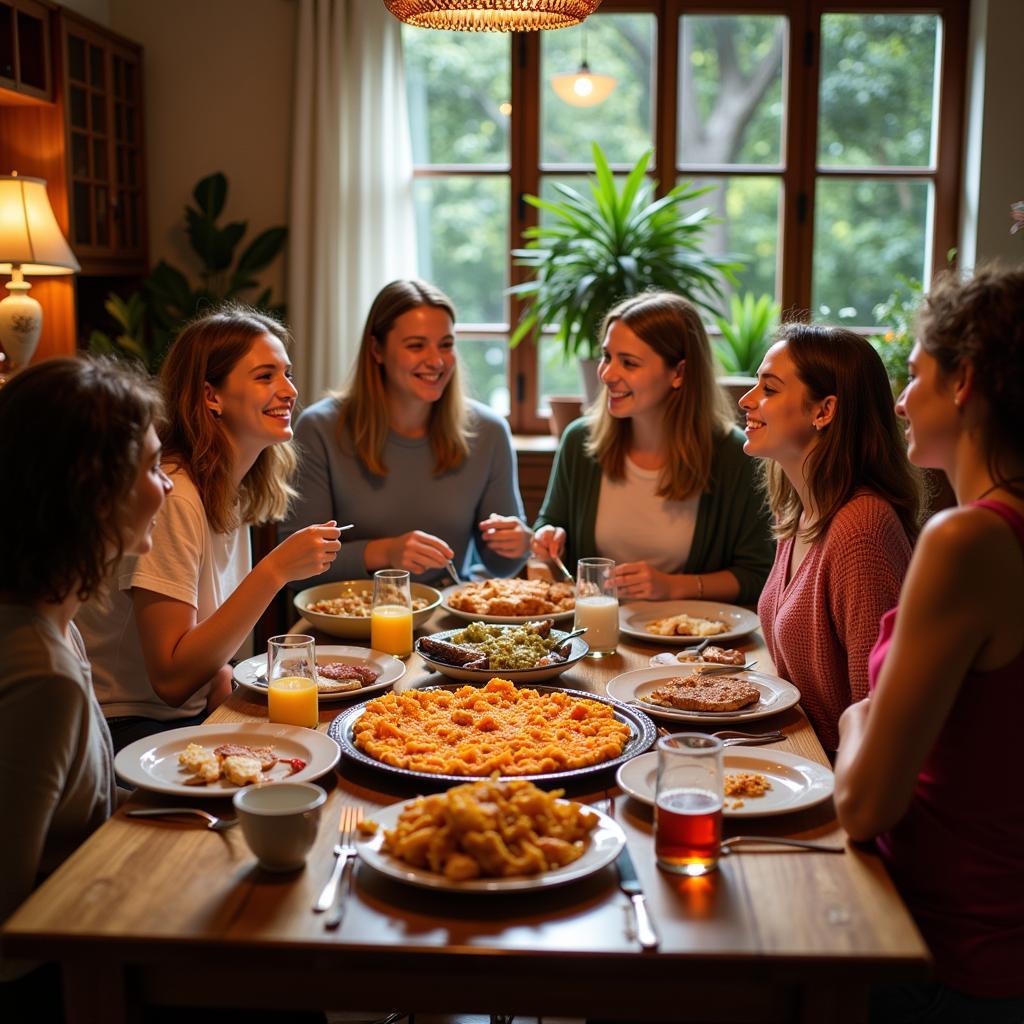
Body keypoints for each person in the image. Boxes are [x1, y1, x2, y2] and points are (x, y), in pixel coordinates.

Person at [834, 266, 1024, 1023]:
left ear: (965, 380)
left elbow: (862, 804)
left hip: (946, 952)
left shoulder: (968, 539)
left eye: (913, 374)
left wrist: (855, 721)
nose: (902, 400)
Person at [78, 305, 341, 751]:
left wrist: (221, 674)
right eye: (265, 377)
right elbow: (171, 679)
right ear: (211, 396)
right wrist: (274, 571)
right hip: (125, 727)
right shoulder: (176, 496)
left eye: (288, 374)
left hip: (183, 714)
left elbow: (203, 633)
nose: (290, 390)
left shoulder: (226, 488)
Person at [0, 356, 167, 1017]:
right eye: (154, 467)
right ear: (98, 493)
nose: (169, 487)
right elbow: (12, 934)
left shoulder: (49, 618)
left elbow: (77, 811)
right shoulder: (41, 675)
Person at [739, 324, 921, 754]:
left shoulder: (862, 530)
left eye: (769, 388)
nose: (747, 400)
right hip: (791, 755)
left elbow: (879, 716)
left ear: (823, 411)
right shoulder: (799, 508)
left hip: (832, 786)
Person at [281, 279, 530, 586]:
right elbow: (295, 569)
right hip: (348, 621)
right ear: (377, 350)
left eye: (446, 344)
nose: (437, 360)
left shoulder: (489, 432)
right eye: (416, 345)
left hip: (448, 625)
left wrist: (518, 545)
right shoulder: (319, 428)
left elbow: (501, 567)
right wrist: (384, 552)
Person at [532, 291, 773, 604]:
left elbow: (758, 574)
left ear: (679, 373)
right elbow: (549, 526)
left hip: (691, 645)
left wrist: (674, 587)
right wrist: (548, 538)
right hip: (595, 637)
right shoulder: (579, 441)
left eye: (629, 363)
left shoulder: (734, 454)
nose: (607, 374)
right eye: (607, 356)